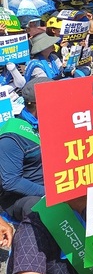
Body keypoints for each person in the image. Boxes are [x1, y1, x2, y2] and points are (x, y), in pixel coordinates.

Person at [0, 78, 49, 222]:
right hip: (24, 197)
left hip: (56, 183)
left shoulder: (48, 122)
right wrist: (48, 192)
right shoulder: (12, 136)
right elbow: (11, 181)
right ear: (38, 105)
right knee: (35, 206)